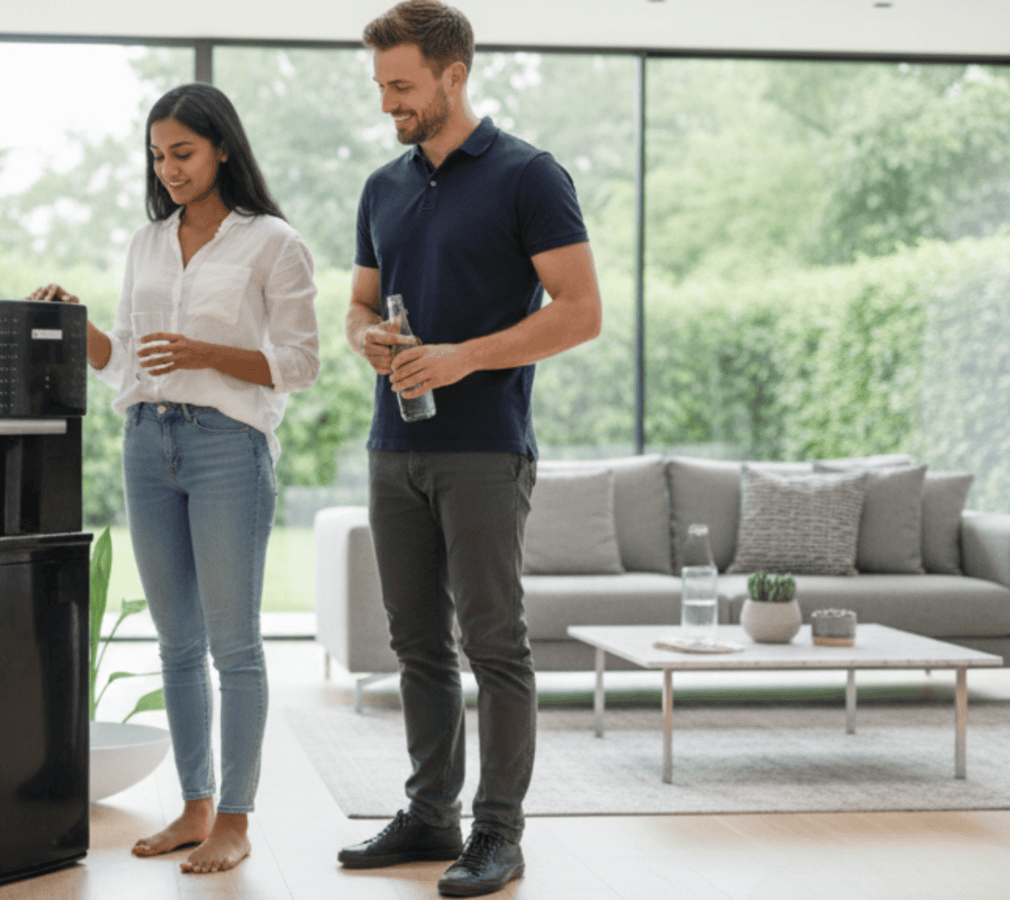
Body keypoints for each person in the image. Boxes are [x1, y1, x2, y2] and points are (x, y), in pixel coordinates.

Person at [334, 2, 603, 896]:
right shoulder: (384, 185)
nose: (389, 104)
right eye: (381, 87)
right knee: (415, 643)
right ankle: (428, 817)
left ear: (454, 75)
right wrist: (369, 339)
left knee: (494, 643)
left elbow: (578, 312)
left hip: (487, 448)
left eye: (403, 86)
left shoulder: (530, 176)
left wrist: (460, 357)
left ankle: (498, 834)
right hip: (393, 444)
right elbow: (359, 307)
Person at [27, 82, 320, 875]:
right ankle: (193, 808)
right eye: (158, 156)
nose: (168, 169)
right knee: (177, 644)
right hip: (146, 442)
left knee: (234, 646)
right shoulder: (146, 243)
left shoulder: (273, 243)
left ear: (222, 147)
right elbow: (122, 356)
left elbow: (300, 363)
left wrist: (205, 353)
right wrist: (72, 322)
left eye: (182, 153)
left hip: (229, 446)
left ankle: (235, 817)